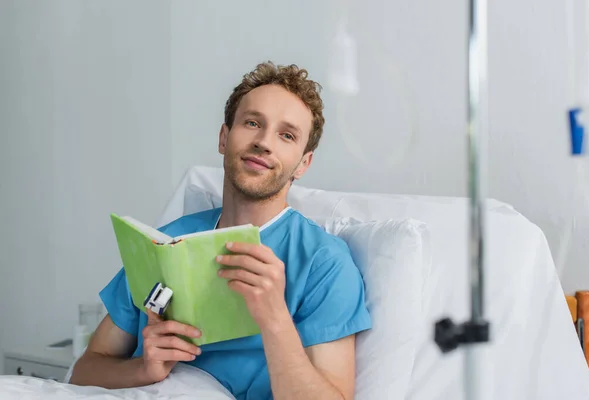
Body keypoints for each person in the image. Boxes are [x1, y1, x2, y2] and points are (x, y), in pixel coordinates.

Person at [70, 61, 372, 400]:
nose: (264, 142)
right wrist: (143, 368)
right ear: (224, 137)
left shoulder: (324, 263)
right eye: (252, 123)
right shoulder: (166, 242)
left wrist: (274, 319)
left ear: (303, 163)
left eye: (286, 135)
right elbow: (84, 371)